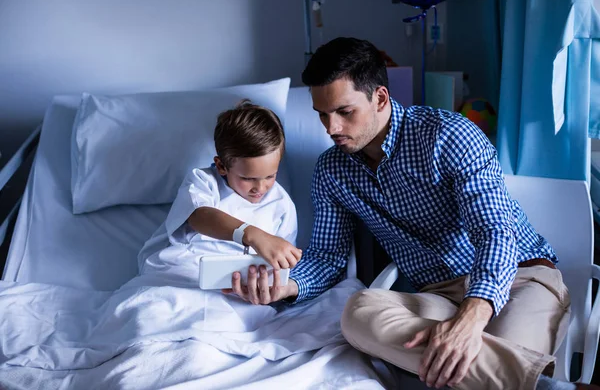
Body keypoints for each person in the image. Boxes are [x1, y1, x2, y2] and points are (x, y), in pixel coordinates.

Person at [230, 37, 595, 390]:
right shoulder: (331, 171)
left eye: (344, 112)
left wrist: (471, 319)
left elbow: (494, 232)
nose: (332, 129)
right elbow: (327, 257)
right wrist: (285, 285)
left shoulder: (448, 136)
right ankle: (543, 386)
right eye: (322, 115)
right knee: (359, 314)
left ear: (381, 98)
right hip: (437, 296)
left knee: (472, 367)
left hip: (518, 279)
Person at [139, 100, 302, 304]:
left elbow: (281, 267)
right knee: (155, 309)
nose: (260, 188)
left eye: (270, 176)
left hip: (237, 289)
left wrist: (266, 287)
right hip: (182, 272)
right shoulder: (203, 182)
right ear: (221, 166)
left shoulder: (281, 205)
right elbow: (200, 215)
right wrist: (252, 235)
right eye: (248, 178)